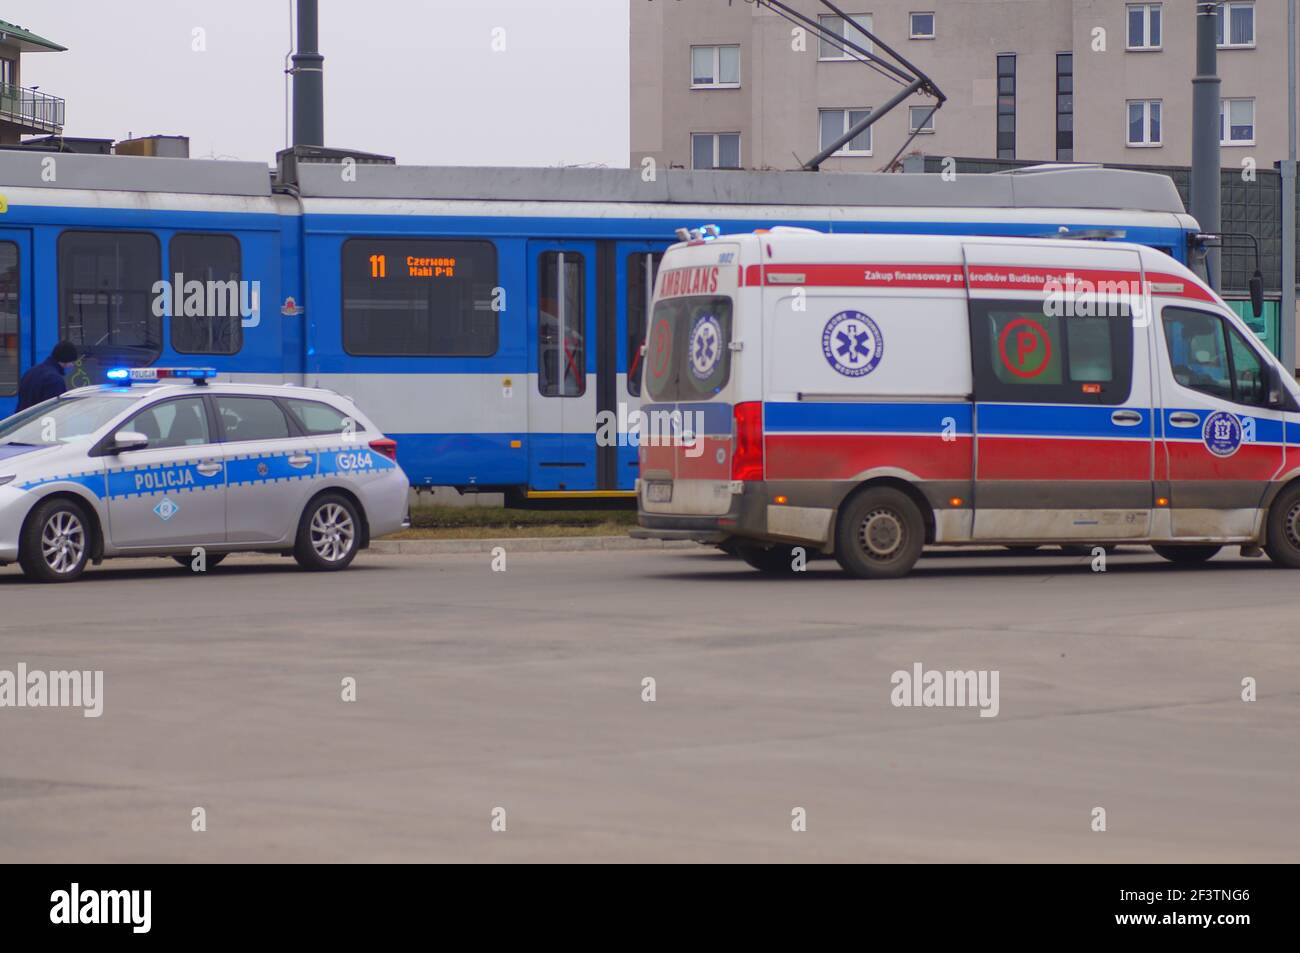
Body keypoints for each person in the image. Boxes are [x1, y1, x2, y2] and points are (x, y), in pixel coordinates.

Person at [16, 341, 79, 412]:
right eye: (72, 361)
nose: (73, 365)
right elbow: (53, 410)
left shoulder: (31, 371)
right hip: (40, 421)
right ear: (66, 359)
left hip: (25, 421)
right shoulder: (54, 380)